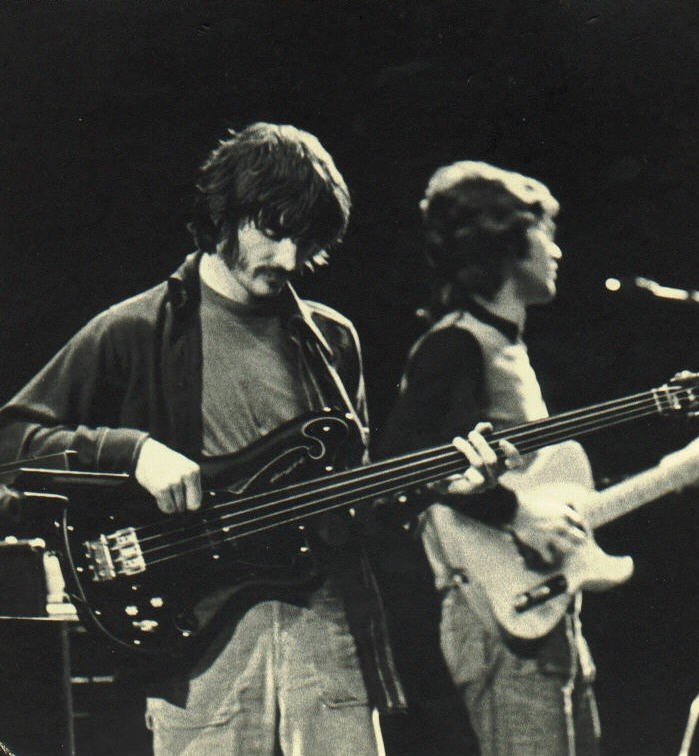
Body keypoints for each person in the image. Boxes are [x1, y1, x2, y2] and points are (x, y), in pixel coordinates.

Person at [0, 125, 515, 755]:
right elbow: (13, 441)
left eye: (308, 241)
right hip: (201, 650)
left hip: (328, 639)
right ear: (225, 215)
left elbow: (355, 507)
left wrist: (441, 486)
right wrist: (133, 453)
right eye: (272, 231)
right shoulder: (135, 329)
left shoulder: (332, 340)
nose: (289, 259)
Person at [379, 161, 601, 755]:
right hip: (495, 622)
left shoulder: (501, 342)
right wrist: (515, 512)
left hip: (540, 611)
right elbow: (401, 461)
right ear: (506, 240)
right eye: (544, 232)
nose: (556, 250)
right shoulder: (456, 343)